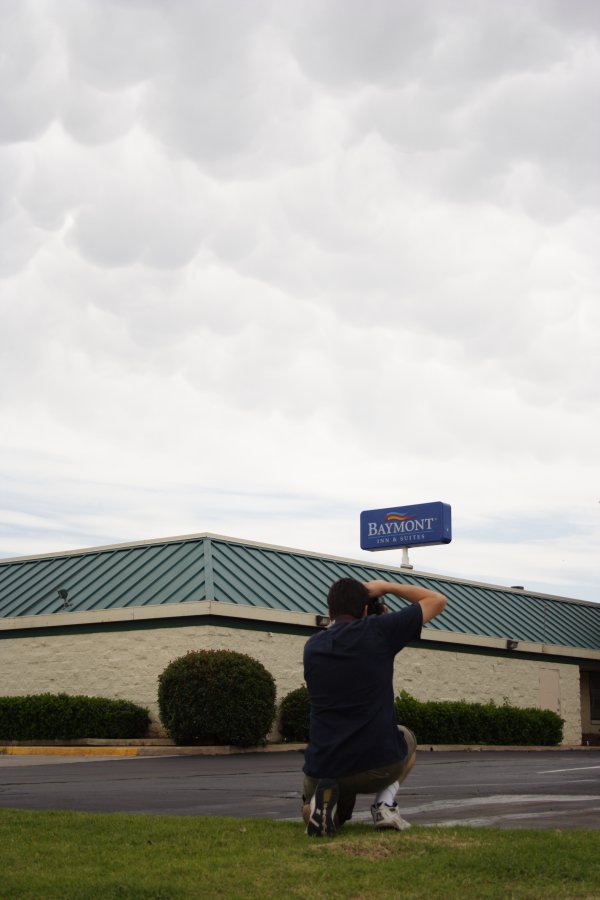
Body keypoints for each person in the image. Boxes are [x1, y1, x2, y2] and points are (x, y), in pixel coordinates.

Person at [302, 577, 447, 837]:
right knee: (408, 738)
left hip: (325, 767)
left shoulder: (313, 646)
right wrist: (387, 587)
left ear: (329, 611)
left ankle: (318, 807)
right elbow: (437, 601)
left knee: (327, 806)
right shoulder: (379, 631)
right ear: (367, 610)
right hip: (376, 766)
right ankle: (384, 805)